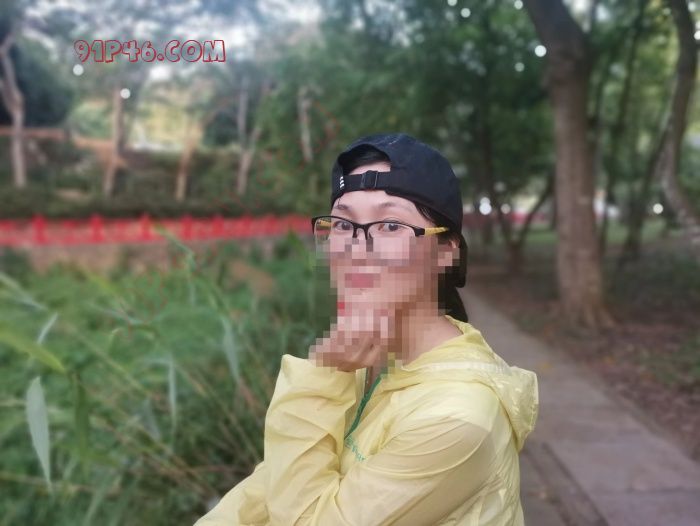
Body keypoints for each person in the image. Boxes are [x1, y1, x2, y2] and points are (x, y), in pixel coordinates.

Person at [194, 133, 539, 526]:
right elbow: (278, 480)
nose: (357, 248)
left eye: (390, 225)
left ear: (447, 251)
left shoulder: (456, 418)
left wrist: (321, 376)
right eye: (343, 224)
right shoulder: (365, 353)